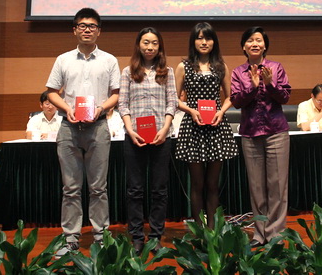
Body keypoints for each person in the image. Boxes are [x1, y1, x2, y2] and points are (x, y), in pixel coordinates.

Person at [45, 8, 120, 255]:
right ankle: (70, 239)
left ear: (99, 31)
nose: (87, 29)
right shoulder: (63, 60)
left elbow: (116, 94)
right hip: (69, 128)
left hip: (98, 127)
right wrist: (67, 108)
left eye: (92, 26)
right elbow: (52, 92)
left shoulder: (109, 60)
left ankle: (101, 236)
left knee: (99, 188)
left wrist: (100, 109)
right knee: (70, 188)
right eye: (82, 25)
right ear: (74, 30)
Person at [230, 26, 292, 247]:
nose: (254, 43)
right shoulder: (238, 72)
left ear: (265, 45)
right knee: (256, 187)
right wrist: (252, 88)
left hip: (276, 133)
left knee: (277, 185)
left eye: (258, 40)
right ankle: (259, 233)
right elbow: (236, 102)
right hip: (250, 134)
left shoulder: (276, 67)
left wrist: (269, 84)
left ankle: (275, 234)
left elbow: (285, 97)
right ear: (244, 47)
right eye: (250, 40)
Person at [118, 27, 177, 254]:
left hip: (162, 136)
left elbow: (172, 102)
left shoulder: (167, 72)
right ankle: (136, 236)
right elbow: (123, 104)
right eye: (146, 42)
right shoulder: (127, 72)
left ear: (159, 46)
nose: (150, 47)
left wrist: (165, 128)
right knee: (135, 189)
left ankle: (155, 236)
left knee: (159, 190)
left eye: (154, 43)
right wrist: (130, 130)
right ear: (139, 45)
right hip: (135, 137)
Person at [175, 22, 238, 229]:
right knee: (197, 184)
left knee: (212, 184)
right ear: (193, 41)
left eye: (208, 38)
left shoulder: (221, 66)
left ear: (214, 42)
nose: (204, 42)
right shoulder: (183, 66)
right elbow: (174, 99)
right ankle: (199, 230)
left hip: (216, 127)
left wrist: (221, 111)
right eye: (200, 38)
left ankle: (212, 230)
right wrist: (191, 111)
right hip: (193, 127)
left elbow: (230, 97)